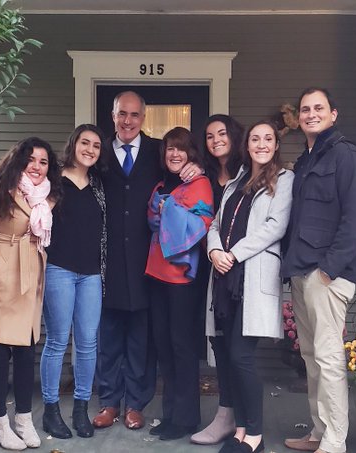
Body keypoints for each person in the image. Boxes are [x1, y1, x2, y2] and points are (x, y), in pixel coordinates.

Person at [92, 91, 203, 430]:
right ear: (113, 116)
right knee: (109, 335)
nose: (128, 121)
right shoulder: (99, 153)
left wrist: (195, 168)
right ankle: (109, 402)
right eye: (121, 114)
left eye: (134, 115)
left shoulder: (159, 152)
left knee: (142, 337)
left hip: (147, 259)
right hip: (107, 259)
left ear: (143, 117)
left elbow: (181, 177)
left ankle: (136, 404)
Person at [280, 87, 356, 453]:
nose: (311, 114)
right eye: (305, 109)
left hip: (326, 274)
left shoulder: (346, 156)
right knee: (311, 357)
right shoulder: (305, 161)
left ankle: (335, 441)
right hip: (302, 273)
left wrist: (329, 269)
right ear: (298, 118)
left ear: (333, 114)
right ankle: (319, 432)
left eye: (319, 108)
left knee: (330, 357)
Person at [0, 136, 61, 451]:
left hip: (29, 278)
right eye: (31, 159)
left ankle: (24, 420)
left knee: (26, 352)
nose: (37, 166)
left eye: (43, 161)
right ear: (19, 161)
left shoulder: (47, 197)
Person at [206, 121, 294, 453]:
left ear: (275, 145)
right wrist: (215, 250)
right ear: (247, 145)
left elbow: (275, 226)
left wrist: (232, 253)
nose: (261, 144)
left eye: (267, 139)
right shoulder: (236, 182)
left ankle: (254, 433)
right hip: (225, 278)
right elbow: (215, 223)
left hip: (252, 278)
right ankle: (240, 428)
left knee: (242, 356)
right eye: (255, 139)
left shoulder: (285, 180)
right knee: (228, 356)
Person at [145, 127, 214, 441]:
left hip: (183, 277)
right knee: (163, 345)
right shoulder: (162, 184)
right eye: (169, 149)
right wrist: (160, 208)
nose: (174, 154)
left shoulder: (200, 184)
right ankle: (170, 413)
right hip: (156, 273)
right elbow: (151, 218)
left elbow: (202, 225)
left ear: (191, 154)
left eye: (180, 149)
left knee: (182, 346)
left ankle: (186, 418)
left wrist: (166, 208)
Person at [40, 124, 107, 440]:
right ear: (73, 144)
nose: (90, 149)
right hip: (60, 270)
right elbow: (31, 208)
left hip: (91, 274)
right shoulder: (54, 182)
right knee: (56, 341)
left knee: (87, 342)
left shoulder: (98, 185)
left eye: (96, 145)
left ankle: (81, 409)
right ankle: (51, 411)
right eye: (85, 142)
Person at [191, 114, 245, 445]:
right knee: (219, 343)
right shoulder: (205, 177)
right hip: (207, 269)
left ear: (234, 136)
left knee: (240, 349)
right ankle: (226, 414)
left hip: (240, 270)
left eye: (222, 134)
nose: (216, 140)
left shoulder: (248, 172)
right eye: (210, 136)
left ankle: (244, 417)